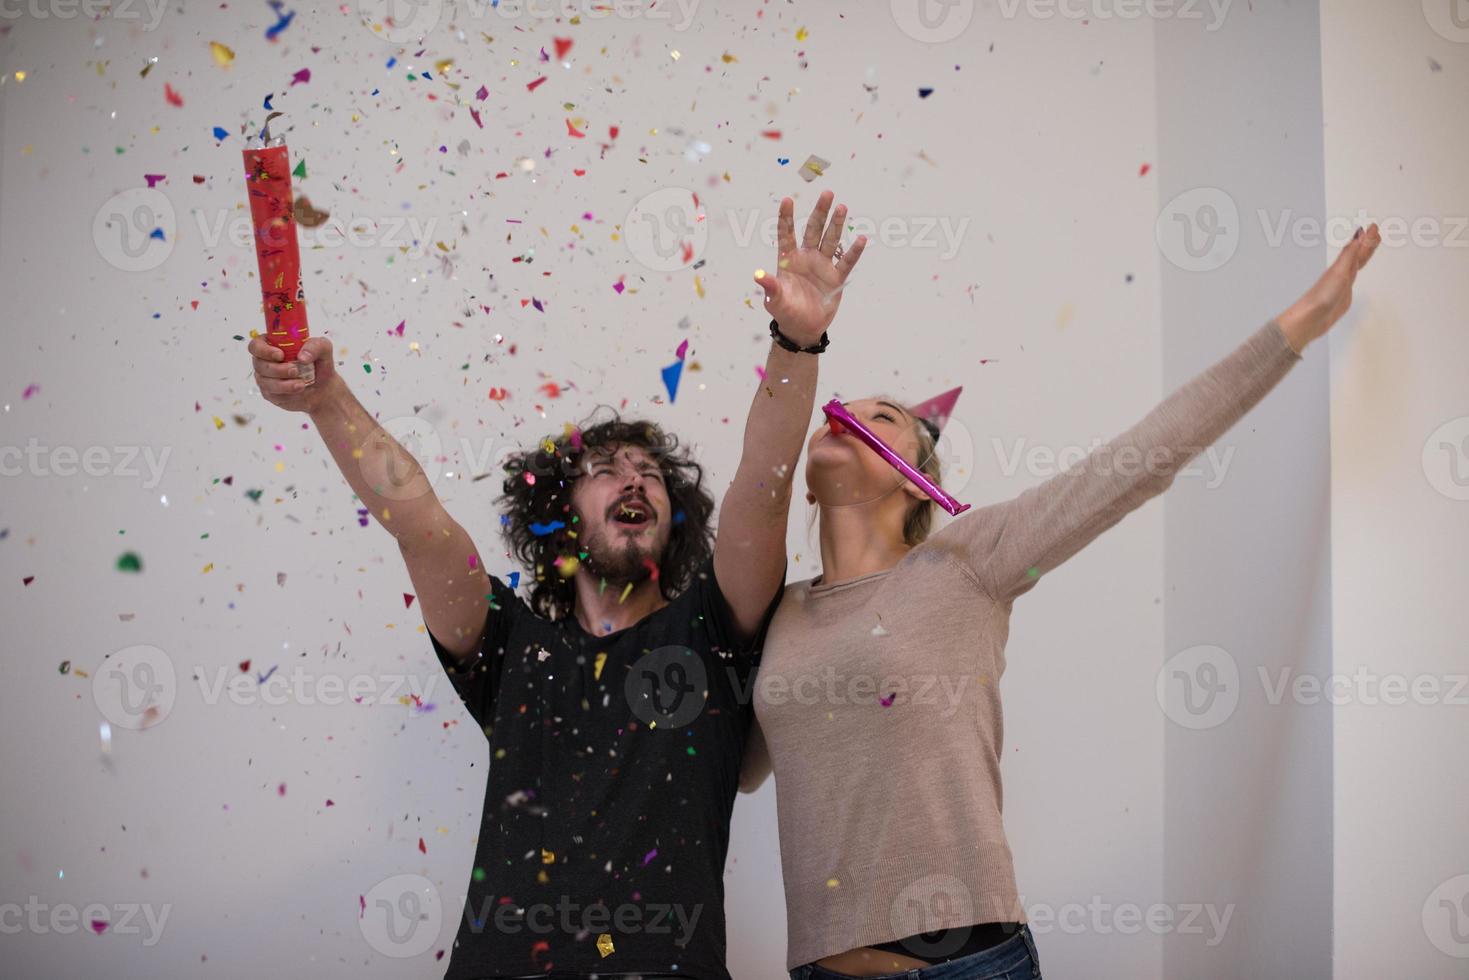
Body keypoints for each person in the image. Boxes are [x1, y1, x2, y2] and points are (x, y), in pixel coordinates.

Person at [248, 190, 865, 979]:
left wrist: (796, 343)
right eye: (605, 472)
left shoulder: (713, 631)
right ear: (559, 514)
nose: (632, 481)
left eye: (649, 475)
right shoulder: (506, 644)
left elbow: (763, 484)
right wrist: (326, 398)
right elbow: (417, 518)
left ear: (675, 520)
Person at [741, 227, 1384, 979]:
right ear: (808, 483)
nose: (844, 416)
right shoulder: (778, 614)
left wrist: (1302, 319)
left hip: (968, 964)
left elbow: (1139, 460)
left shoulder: (967, 559)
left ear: (917, 480)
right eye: (840, 411)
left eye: (881, 418)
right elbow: (735, 768)